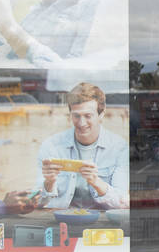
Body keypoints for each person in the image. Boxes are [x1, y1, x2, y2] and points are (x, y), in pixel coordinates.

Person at [37, 82, 129, 210]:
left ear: (101, 114)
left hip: (103, 224)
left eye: (88, 116)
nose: (81, 123)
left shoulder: (119, 147)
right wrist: (49, 182)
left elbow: (122, 202)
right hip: (60, 220)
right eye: (76, 115)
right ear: (70, 114)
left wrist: (96, 182)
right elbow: (38, 202)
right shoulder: (51, 146)